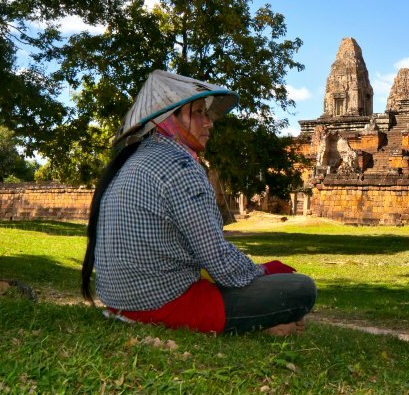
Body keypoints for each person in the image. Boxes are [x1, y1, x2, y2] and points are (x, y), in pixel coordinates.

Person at [81, 70, 316, 336]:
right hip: (162, 302)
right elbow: (219, 260)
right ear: (169, 118)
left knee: (266, 275)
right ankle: (260, 325)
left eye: (208, 114)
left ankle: (263, 322)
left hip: (119, 300)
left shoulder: (136, 159)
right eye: (198, 113)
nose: (209, 123)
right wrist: (264, 271)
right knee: (301, 288)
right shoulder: (180, 165)